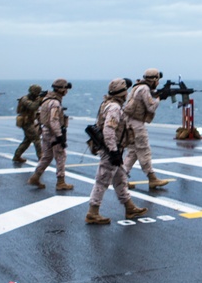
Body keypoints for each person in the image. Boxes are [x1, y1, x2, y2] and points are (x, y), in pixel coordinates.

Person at [85, 78, 147, 225]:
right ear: (122, 92)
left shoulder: (107, 104)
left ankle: (129, 207)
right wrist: (113, 152)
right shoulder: (114, 108)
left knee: (120, 179)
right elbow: (108, 130)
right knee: (102, 180)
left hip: (112, 148)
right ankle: (92, 212)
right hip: (111, 150)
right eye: (126, 90)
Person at [123, 68, 169, 190]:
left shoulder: (138, 87)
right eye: (157, 80)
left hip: (130, 123)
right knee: (144, 150)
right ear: (154, 80)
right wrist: (160, 98)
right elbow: (151, 108)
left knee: (133, 153)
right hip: (136, 125)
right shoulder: (144, 89)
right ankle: (152, 178)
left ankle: (121, 179)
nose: (158, 82)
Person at [28, 79, 73, 191]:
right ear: (61, 89)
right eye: (65, 88)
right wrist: (59, 136)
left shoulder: (46, 100)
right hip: (53, 134)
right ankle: (60, 182)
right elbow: (54, 121)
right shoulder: (55, 103)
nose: (66, 91)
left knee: (47, 157)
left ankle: (35, 176)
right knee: (61, 156)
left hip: (45, 132)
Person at [13, 84, 44, 163]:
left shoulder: (33, 98)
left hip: (30, 120)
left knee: (27, 140)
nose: (38, 94)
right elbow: (33, 107)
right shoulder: (25, 99)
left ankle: (17, 156)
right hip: (25, 121)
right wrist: (39, 99)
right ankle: (41, 157)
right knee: (36, 139)